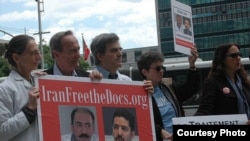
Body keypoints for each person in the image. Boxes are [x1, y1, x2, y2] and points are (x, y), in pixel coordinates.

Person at [136, 47, 201, 141]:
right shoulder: (139, 93)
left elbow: (190, 89)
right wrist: (160, 131)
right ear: (145, 72)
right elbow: (140, 122)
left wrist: (192, 65)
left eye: (163, 67)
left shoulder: (168, 85)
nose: (161, 71)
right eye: (158, 68)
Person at [195, 43, 250, 123]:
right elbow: (204, 110)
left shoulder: (244, 82)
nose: (238, 58)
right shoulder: (213, 83)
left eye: (239, 54)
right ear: (222, 59)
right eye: (233, 55)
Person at [0, 35, 41, 141]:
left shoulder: (39, 81)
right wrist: (29, 111)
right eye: (33, 53)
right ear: (16, 58)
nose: (39, 57)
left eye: (38, 52)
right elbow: (2, 132)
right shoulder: (5, 89)